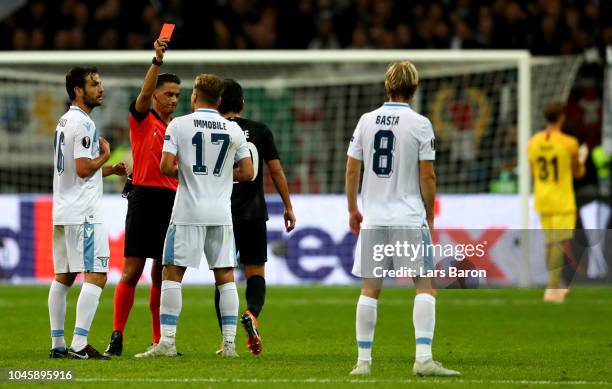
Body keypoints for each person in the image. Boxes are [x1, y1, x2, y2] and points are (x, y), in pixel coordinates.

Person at [345, 61, 460, 376]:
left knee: (370, 288)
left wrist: (352, 208)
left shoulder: (366, 121)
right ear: (415, 88)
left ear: (387, 87)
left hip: (375, 218)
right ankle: (423, 359)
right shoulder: (420, 124)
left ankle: (363, 363)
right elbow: (428, 176)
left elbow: (353, 168)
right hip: (409, 217)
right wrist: (429, 213)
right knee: (425, 284)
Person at [135, 74, 254, 358]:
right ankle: (229, 345)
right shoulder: (233, 130)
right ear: (220, 100)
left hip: (187, 210)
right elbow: (248, 173)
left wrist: (186, 172)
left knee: (172, 273)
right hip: (221, 212)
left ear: (194, 96)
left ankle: (167, 341)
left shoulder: (178, 125)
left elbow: (165, 167)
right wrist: (225, 175)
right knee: (225, 275)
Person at [104, 38, 181, 356]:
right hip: (144, 199)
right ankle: (117, 336)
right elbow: (144, 94)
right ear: (155, 97)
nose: (174, 100)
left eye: (177, 95)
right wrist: (157, 61)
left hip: (171, 201)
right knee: (132, 270)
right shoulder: (141, 119)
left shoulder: (179, 127)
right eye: (168, 94)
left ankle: (158, 339)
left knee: (162, 274)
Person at [49, 67, 127, 359]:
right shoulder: (83, 124)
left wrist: (109, 170)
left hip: (63, 210)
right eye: (94, 84)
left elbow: (79, 170)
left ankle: (58, 344)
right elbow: (83, 168)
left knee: (64, 277)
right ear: (78, 91)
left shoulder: (63, 121)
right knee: (97, 274)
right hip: (84, 213)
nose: (101, 88)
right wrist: (105, 156)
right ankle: (79, 345)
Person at [215, 79, 296, 356]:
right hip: (252, 212)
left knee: (223, 275)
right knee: (255, 272)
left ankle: (226, 341)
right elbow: (276, 171)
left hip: (221, 211)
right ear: (242, 104)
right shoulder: (260, 131)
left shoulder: (212, 130)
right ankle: (252, 312)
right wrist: (288, 206)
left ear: (217, 103)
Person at [528, 101, 587, 303]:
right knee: (558, 243)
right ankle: (552, 289)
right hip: (561, 199)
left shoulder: (533, 142)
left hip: (543, 197)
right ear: (561, 117)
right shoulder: (569, 143)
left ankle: (554, 285)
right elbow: (578, 172)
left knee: (549, 243)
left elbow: (533, 172)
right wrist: (582, 158)